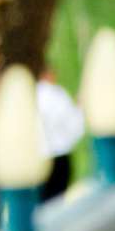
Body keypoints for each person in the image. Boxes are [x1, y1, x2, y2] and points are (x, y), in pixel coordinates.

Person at [36, 65, 85, 200]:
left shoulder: (30, 94)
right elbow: (74, 126)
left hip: (38, 159)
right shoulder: (56, 94)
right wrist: (80, 108)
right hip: (59, 157)